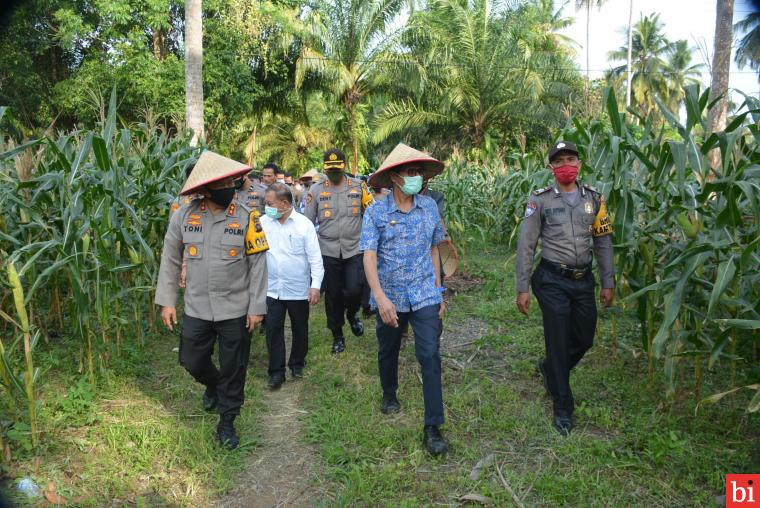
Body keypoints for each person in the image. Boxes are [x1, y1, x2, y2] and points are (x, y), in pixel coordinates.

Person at [155, 150, 269, 450]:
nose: (229, 188)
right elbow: (170, 259)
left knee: (234, 366)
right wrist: (167, 301)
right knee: (190, 359)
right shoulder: (184, 215)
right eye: (222, 185)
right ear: (205, 189)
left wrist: (257, 307)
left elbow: (258, 264)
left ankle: (227, 421)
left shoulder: (246, 216)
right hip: (197, 307)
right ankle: (214, 385)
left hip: (235, 308)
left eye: (231, 183)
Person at [515, 140, 614, 436]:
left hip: (583, 279)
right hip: (551, 279)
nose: (565, 165)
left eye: (570, 159)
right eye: (559, 162)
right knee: (557, 338)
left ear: (579, 163)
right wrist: (523, 286)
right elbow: (527, 244)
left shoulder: (595, 199)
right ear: (551, 168)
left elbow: (603, 240)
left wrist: (608, 281)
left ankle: (552, 370)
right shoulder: (540, 201)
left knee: (584, 338)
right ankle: (562, 404)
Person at [361, 143, 449, 456]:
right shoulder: (375, 213)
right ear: (395, 177)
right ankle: (389, 392)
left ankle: (432, 426)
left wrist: (439, 291)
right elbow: (369, 257)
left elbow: (435, 249)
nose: (416, 178)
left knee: (430, 355)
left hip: (425, 292)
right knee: (388, 349)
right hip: (391, 295)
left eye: (419, 173)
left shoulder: (430, 208)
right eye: (410, 172)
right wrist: (380, 297)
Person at [305, 149, 374, 354]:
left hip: (354, 249)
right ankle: (337, 335)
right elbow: (307, 224)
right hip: (327, 250)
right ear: (325, 168)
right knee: (333, 295)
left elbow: (371, 213)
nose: (334, 173)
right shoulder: (315, 191)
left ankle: (352, 314)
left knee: (354, 290)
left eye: (338, 169)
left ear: (344, 166)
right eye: (330, 170)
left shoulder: (358, 186)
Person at [260, 183, 324, 389]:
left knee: (300, 327)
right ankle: (276, 372)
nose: (266, 207)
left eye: (269, 203)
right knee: (273, 329)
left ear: (284, 203)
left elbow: (315, 258)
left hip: (297, 288)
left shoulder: (304, 225)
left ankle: (297, 363)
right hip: (271, 288)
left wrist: (315, 286)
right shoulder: (262, 223)